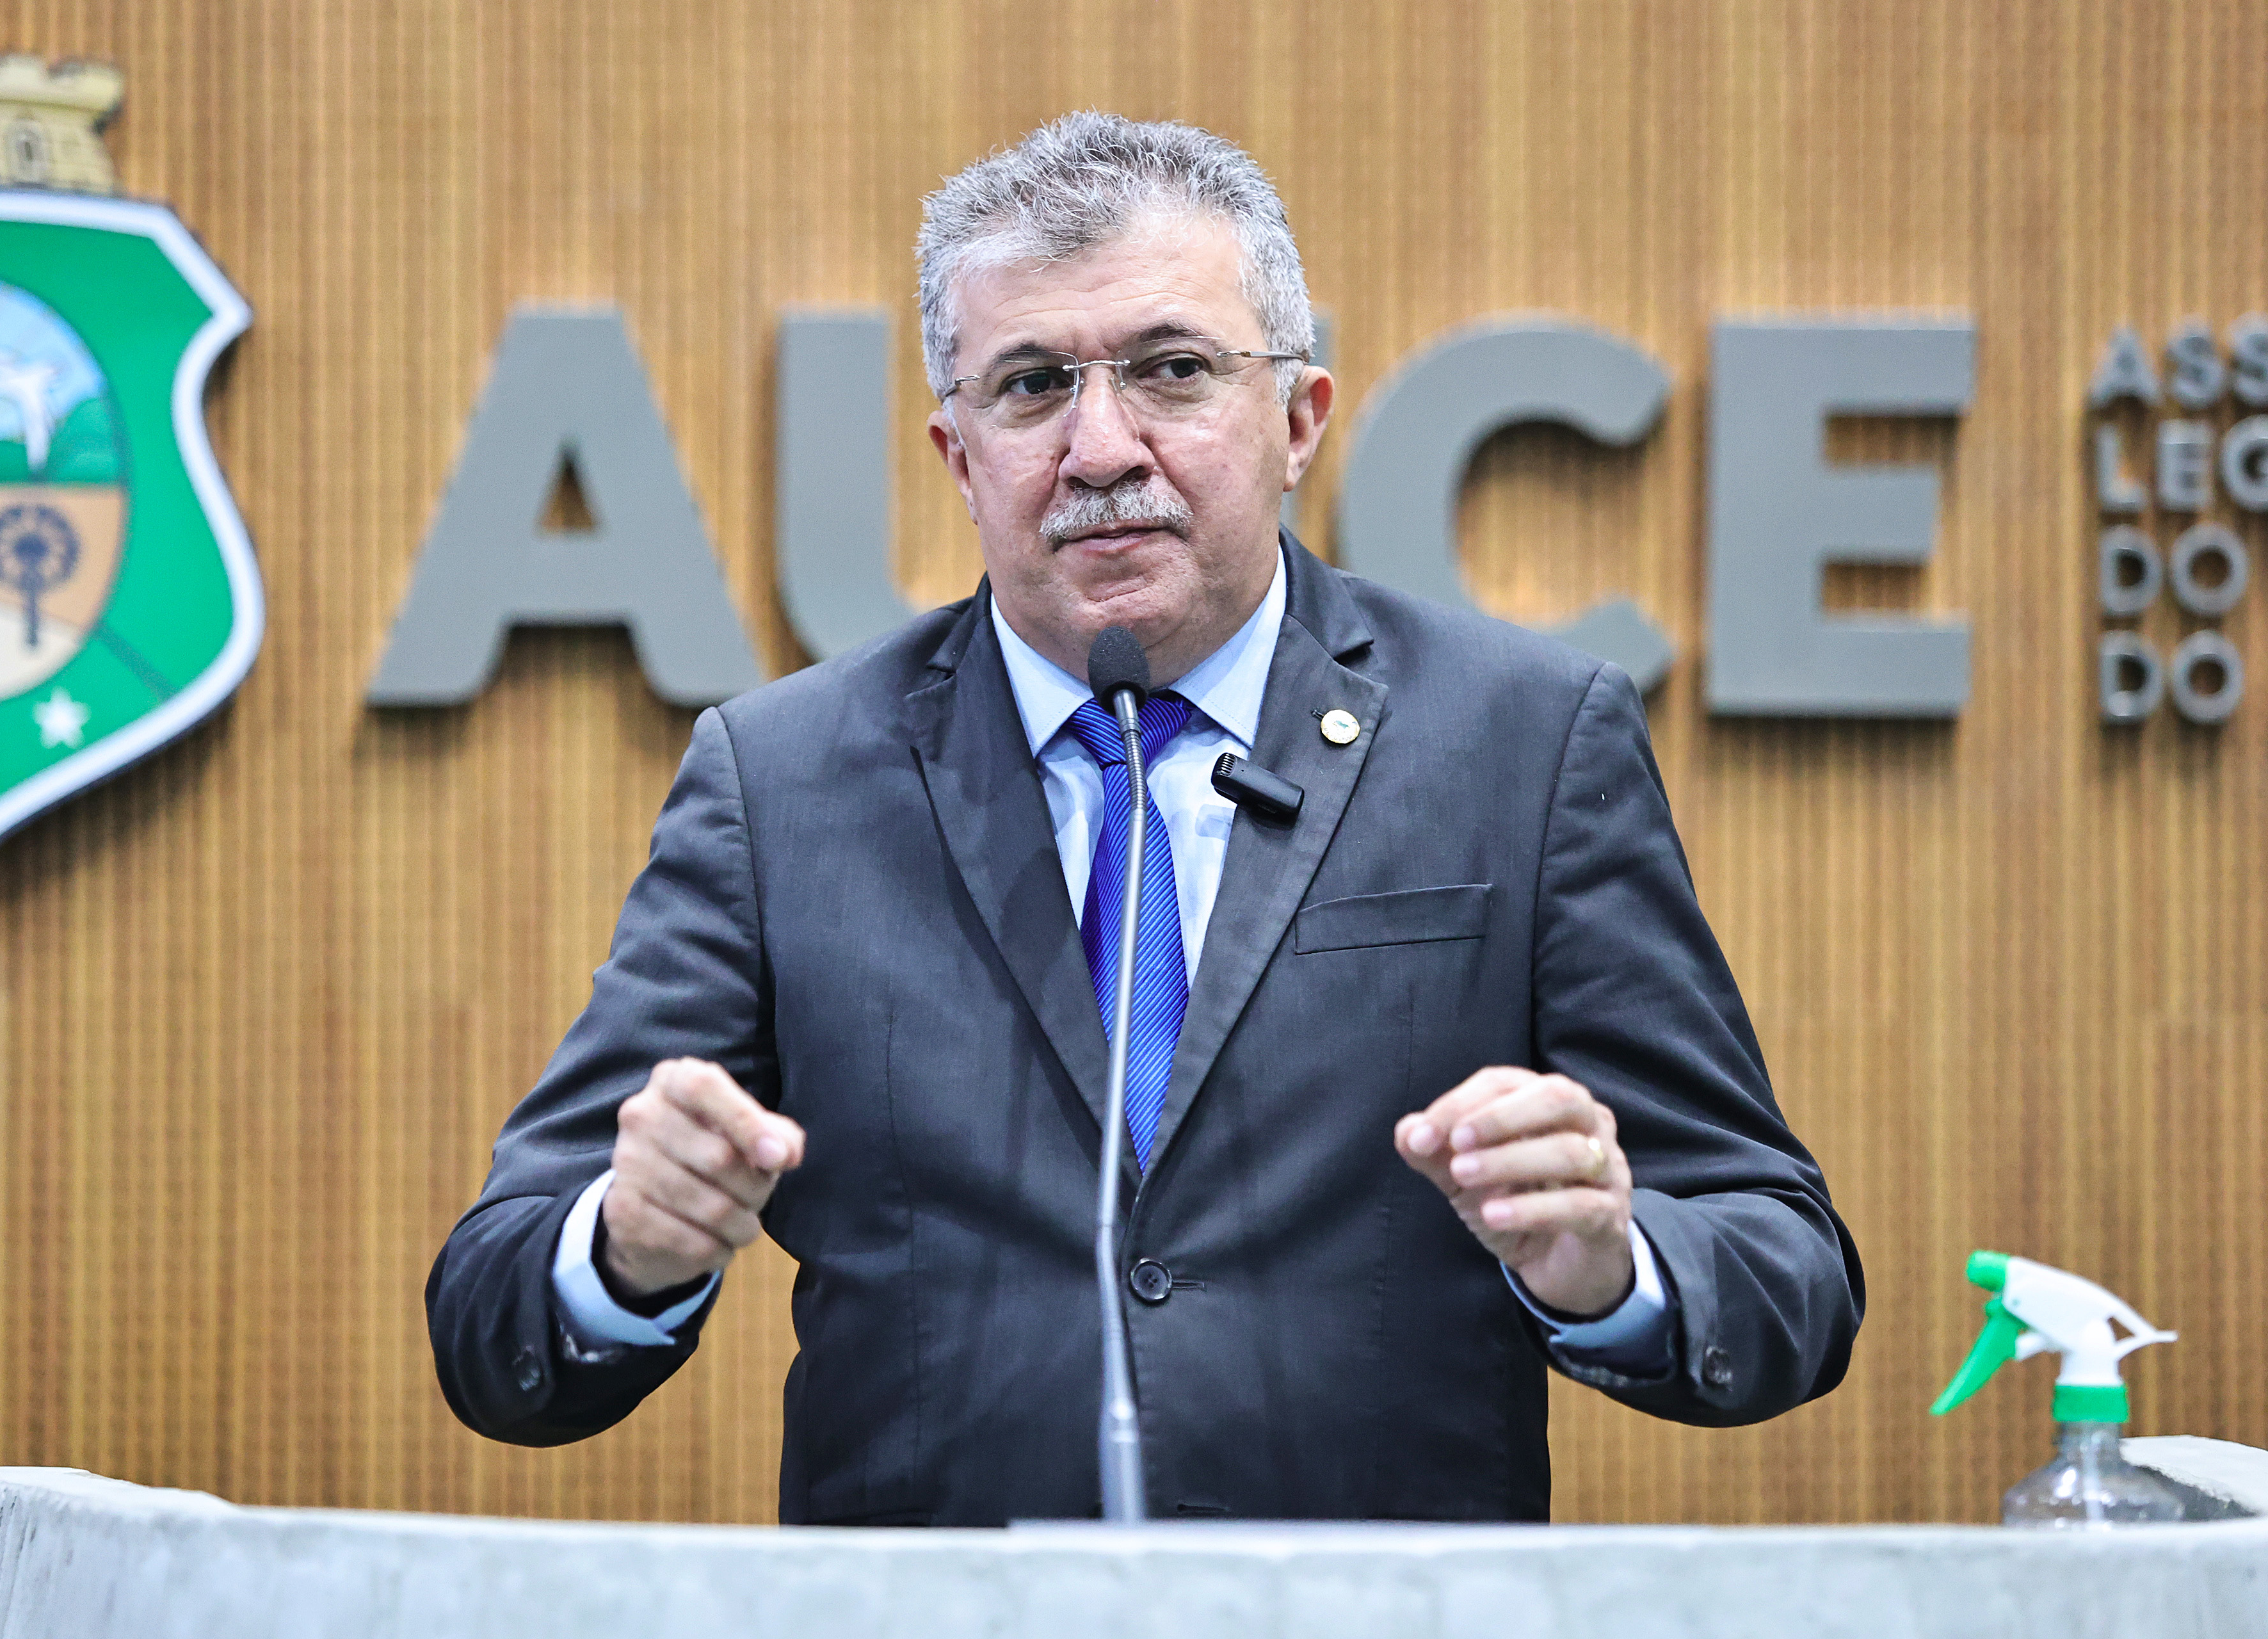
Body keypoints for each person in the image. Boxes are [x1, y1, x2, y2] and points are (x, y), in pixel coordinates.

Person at [426, 112, 1860, 1524]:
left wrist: (1611, 1265)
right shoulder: (783, 780)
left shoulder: (1522, 743)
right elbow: (494, 1314)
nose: (1102, 445)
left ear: (1298, 416)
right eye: (1034, 385)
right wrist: (623, 1249)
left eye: (1173, 370)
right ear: (958, 454)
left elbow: (1781, 1262)